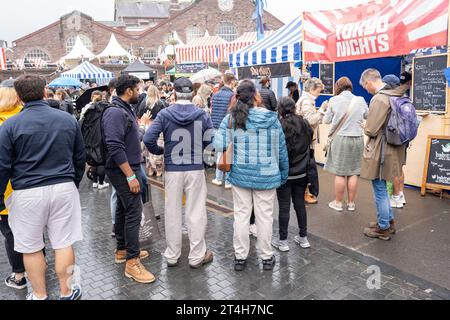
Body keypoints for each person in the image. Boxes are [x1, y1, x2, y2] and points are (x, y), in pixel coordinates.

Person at [0, 75, 86, 300]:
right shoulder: (67, 120)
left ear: (18, 97)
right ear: (45, 92)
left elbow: (2, 166)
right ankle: (67, 292)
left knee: (30, 247)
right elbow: (79, 157)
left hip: (27, 192)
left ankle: (39, 295)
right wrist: (73, 183)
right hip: (63, 187)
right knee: (63, 242)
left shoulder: (10, 125)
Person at [215, 80, 289, 272]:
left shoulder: (232, 118)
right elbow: (281, 150)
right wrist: (283, 173)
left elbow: (218, 144)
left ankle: (240, 257)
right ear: (256, 96)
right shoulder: (272, 119)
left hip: (240, 175)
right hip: (267, 175)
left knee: (241, 216)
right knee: (265, 217)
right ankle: (266, 256)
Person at [144, 77, 214, 269]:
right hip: (195, 168)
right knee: (196, 212)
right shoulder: (201, 114)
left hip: (173, 169)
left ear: (174, 93)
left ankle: (173, 255)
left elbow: (149, 137)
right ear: (191, 94)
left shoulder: (165, 114)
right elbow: (211, 139)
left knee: (172, 211)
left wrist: (161, 151)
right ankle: (197, 256)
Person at [103, 75, 155, 284]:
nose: (140, 92)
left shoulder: (124, 108)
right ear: (129, 91)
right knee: (134, 212)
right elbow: (114, 146)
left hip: (127, 168)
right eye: (138, 88)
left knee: (124, 209)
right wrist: (131, 175)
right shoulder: (115, 112)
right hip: (124, 170)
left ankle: (122, 250)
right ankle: (132, 262)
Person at [359, 69, 407, 241]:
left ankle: (384, 228)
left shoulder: (380, 98)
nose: (366, 90)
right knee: (383, 187)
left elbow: (371, 129)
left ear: (369, 82)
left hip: (381, 150)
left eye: (365, 86)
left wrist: (364, 126)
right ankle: (388, 220)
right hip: (395, 148)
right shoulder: (396, 94)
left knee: (379, 188)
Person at [272, 97, 313, 252]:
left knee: (284, 207)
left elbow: (276, 150)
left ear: (280, 109)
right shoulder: (304, 123)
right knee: (300, 205)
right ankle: (303, 238)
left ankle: (283, 241)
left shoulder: (279, 125)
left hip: (285, 173)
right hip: (302, 172)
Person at [323, 77, 369, 212]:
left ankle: (338, 203)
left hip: (340, 139)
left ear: (338, 87)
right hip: (358, 138)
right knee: (354, 172)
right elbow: (368, 116)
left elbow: (326, 120)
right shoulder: (360, 100)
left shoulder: (333, 100)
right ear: (350, 87)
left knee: (340, 173)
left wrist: (324, 109)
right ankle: (351, 204)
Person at [0, 79, 26, 290]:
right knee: (33, 229)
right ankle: (37, 264)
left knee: (10, 233)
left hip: (6, 189)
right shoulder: (26, 117)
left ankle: (19, 274)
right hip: (29, 185)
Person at [296, 78, 329, 204]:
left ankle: (306, 192)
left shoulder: (305, 99)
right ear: (311, 89)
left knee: (307, 167)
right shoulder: (306, 101)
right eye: (318, 91)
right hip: (305, 139)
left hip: (304, 138)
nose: (319, 94)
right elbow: (310, 120)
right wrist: (322, 110)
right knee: (307, 168)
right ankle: (305, 193)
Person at [211, 73, 236, 189]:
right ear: (231, 82)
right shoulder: (232, 96)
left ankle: (218, 178)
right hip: (228, 127)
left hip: (216, 126)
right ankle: (228, 181)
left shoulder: (215, 95)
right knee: (229, 153)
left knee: (220, 153)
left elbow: (212, 111)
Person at [140, 85, 166, 178]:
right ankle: (158, 170)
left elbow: (139, 115)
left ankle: (150, 169)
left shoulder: (143, 103)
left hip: (146, 126)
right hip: (157, 127)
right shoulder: (160, 103)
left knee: (148, 149)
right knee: (158, 146)